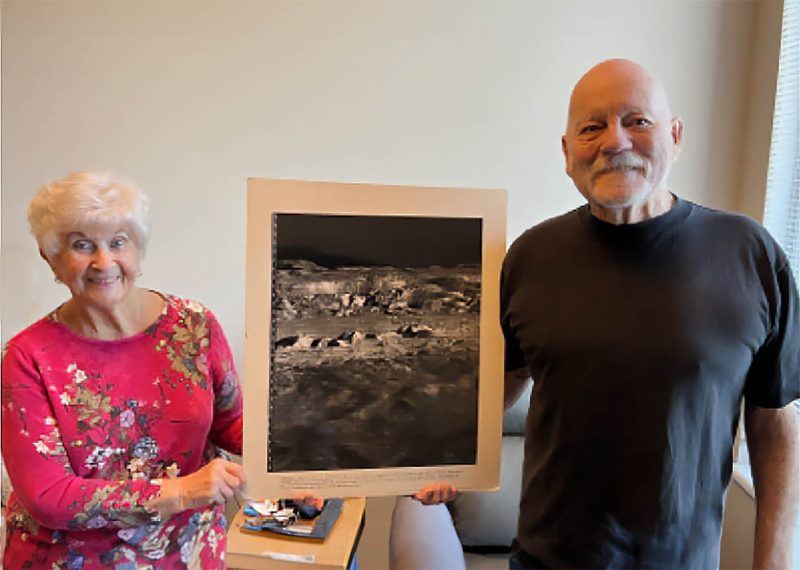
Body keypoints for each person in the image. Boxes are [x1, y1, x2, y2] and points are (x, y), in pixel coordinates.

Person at [501, 59, 799, 569]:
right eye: (592, 127)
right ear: (568, 152)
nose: (614, 142)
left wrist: (774, 561)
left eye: (637, 121)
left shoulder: (751, 255)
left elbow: (774, 421)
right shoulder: (529, 257)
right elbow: (500, 384)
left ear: (676, 135)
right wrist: (433, 458)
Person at [1, 171, 246, 569]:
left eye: (118, 242)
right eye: (83, 245)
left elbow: (230, 423)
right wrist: (181, 491)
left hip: (187, 554)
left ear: (138, 249)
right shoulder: (28, 357)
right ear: (51, 257)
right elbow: (47, 496)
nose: (104, 261)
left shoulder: (194, 325)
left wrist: (299, 460)